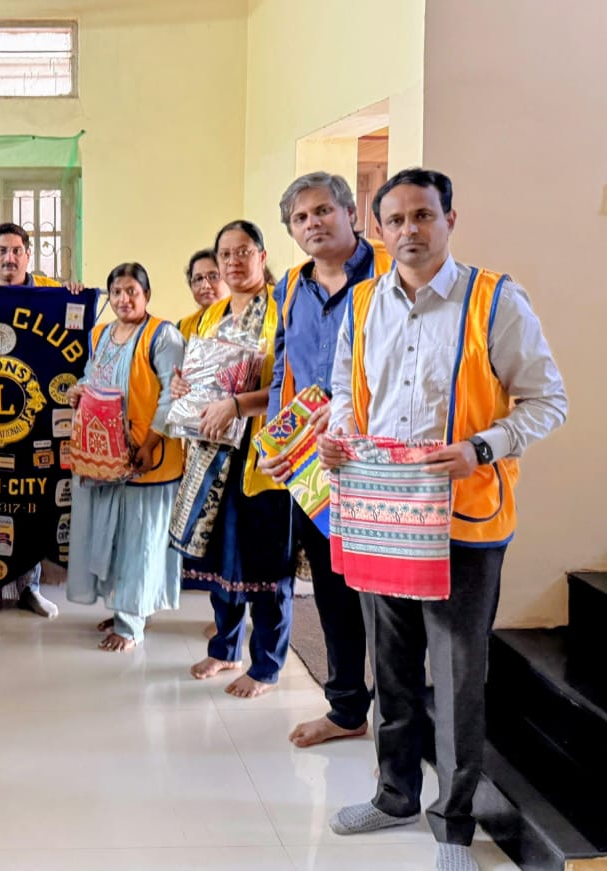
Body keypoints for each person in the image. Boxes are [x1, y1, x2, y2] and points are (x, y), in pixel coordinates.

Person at [320, 168, 566, 871]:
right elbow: (347, 387)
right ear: (378, 230)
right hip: (382, 515)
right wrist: (340, 432)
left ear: (451, 219)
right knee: (391, 668)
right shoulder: (364, 301)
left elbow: (547, 400)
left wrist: (481, 447)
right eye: (394, 220)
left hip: (464, 519)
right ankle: (395, 792)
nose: (409, 231)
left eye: (423, 216)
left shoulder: (494, 299)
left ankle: (453, 826)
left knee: (457, 676)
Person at [258, 171, 394, 749]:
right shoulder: (290, 286)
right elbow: (282, 371)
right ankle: (345, 708)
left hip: (379, 456)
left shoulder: (389, 276)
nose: (313, 224)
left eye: (322, 211)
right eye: (300, 218)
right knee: (334, 585)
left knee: (388, 593)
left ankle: (401, 712)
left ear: (349, 212)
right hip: (315, 465)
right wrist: (277, 441)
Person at [169, 219, 294, 698]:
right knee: (220, 558)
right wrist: (182, 387)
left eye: (244, 252)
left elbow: (291, 383)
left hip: (261, 456)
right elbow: (193, 377)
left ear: (262, 256)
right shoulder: (206, 317)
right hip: (209, 454)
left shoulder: (284, 310)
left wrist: (238, 405)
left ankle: (266, 664)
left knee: (264, 562)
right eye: (226, 254)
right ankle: (225, 647)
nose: (234, 262)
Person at [0, 221, 80, 620]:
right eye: (1, 250)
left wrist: (76, 296)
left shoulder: (48, 290)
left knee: (34, 504)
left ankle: (29, 587)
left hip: (38, 429)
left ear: (28, 255)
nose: (9, 258)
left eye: (16, 250)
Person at [66, 262, 185, 651]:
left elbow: (172, 395)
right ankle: (124, 607)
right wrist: (80, 390)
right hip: (105, 457)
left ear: (146, 295)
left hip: (146, 460)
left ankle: (131, 623)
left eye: (132, 291)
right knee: (112, 540)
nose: (123, 299)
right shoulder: (100, 333)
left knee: (140, 541)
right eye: (116, 291)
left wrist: (149, 444)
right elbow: (93, 375)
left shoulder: (162, 335)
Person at [180, 248, 231, 340]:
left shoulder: (245, 318)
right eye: (198, 279)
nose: (205, 285)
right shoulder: (183, 326)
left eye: (213, 276)